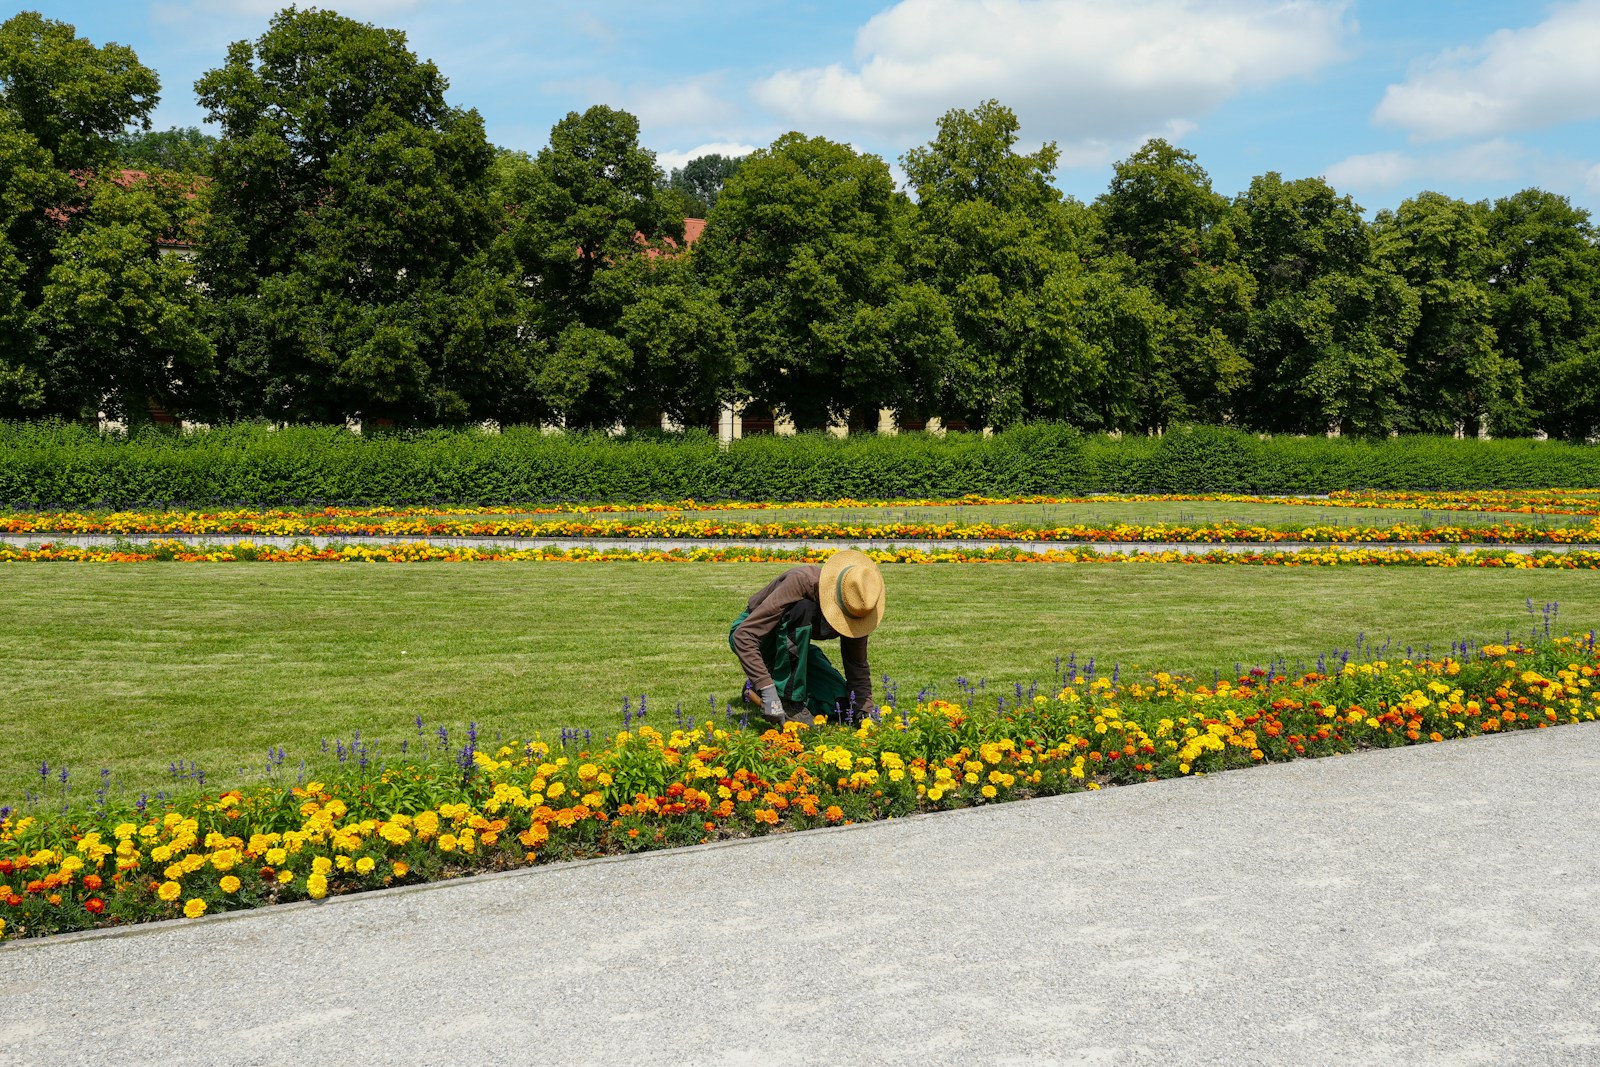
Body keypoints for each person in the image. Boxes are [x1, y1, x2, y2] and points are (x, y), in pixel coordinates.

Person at [728, 549, 885, 727]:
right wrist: (769, 692)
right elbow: (744, 636)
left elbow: (856, 664)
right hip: (761, 640)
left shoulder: (858, 606)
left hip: (794, 653)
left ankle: (754, 688)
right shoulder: (801, 583)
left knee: (841, 704)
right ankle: (788, 701)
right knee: (802, 607)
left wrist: (864, 711)